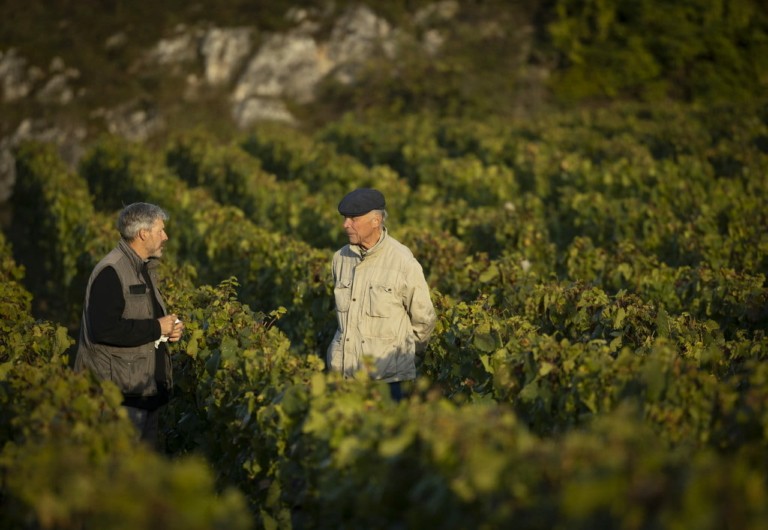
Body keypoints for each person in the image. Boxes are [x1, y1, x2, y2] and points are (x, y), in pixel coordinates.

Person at [74, 202, 183, 447]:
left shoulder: (142, 268)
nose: (165, 237)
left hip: (143, 394)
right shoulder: (111, 271)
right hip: (120, 399)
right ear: (143, 234)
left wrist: (169, 330)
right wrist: (157, 328)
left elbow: (144, 318)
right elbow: (105, 329)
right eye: (160, 231)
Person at [327, 188, 436, 401]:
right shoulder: (340, 258)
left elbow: (424, 320)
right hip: (344, 378)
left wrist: (403, 357)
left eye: (353, 219)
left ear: (376, 221)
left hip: (388, 382)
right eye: (344, 218)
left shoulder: (402, 262)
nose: (345, 224)